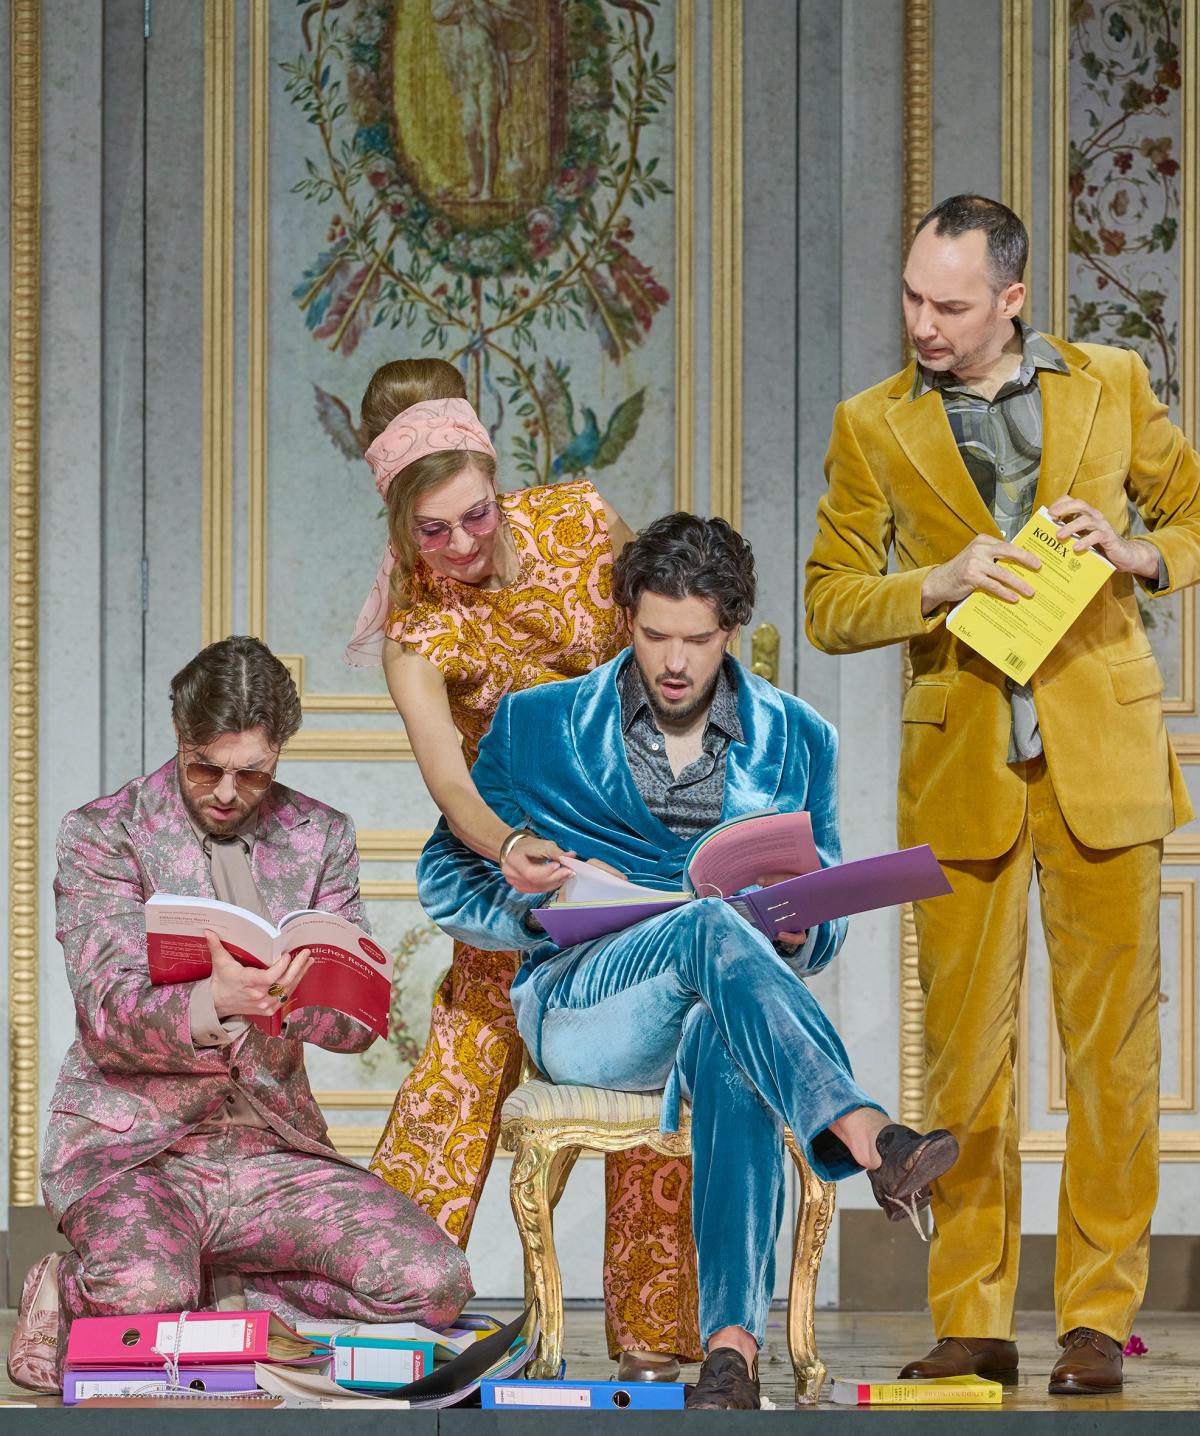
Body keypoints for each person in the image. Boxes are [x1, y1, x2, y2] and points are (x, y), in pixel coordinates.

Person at [415, 513, 961, 1410]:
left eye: (697, 640)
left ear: (732, 628)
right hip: (587, 1004)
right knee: (708, 926)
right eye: (653, 635)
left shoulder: (799, 737)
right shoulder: (537, 722)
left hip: (727, 1001)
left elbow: (824, 917)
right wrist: (525, 884)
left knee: (729, 1033)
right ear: (626, 617)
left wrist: (799, 929)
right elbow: (444, 880)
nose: (674, 662)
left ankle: (728, 1358)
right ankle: (867, 1132)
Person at [804, 194, 1200, 1396]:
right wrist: (937, 578)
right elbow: (829, 600)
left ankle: (1097, 1316)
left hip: (1102, 762)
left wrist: (1135, 551)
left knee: (1112, 1058)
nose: (923, 322)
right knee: (964, 1061)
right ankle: (971, 1313)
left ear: (1013, 298)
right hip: (964, 768)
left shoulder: (1112, 383)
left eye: (952, 303)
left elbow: (1191, 515)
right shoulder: (873, 423)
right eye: (912, 297)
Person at [347, 358, 703, 1374]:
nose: (464, 543)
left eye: (477, 514)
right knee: (463, 1065)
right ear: (398, 523)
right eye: (433, 531)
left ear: (498, 479)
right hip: (523, 863)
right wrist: (507, 845)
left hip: (641, 842)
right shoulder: (418, 628)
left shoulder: (582, 521)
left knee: (649, 1066)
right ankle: (387, 1309)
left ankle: (654, 1334)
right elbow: (450, 782)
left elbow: (671, 632)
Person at [6, 637, 472, 1393]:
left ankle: (225, 1299)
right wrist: (215, 1001)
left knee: (433, 1282)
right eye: (206, 768)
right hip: (138, 1153)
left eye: (252, 773)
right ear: (179, 733)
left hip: (271, 1149)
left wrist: (298, 1002)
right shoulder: (104, 832)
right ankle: (72, 1286)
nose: (227, 792)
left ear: (279, 751)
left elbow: (354, 1028)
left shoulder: (320, 834)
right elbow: (106, 1015)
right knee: (143, 1295)